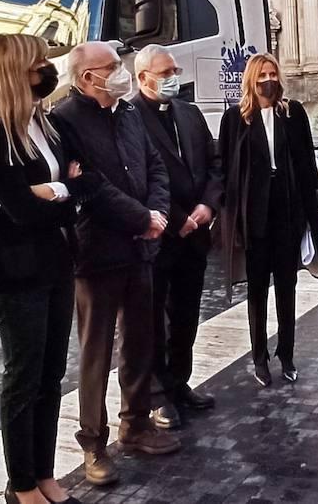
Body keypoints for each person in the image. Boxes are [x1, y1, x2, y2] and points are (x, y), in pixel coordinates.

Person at [0, 34, 98, 504]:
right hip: (15, 271)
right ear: (14, 70)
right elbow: (21, 212)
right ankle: (20, 483)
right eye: (38, 63)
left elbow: (89, 183)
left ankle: (45, 475)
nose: (47, 70)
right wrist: (66, 190)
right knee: (23, 378)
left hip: (58, 262)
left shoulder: (48, 125)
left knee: (50, 376)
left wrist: (57, 190)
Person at [51, 42, 179, 487]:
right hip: (97, 253)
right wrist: (141, 218)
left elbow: (155, 167)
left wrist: (156, 215)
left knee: (142, 341)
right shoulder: (64, 120)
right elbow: (89, 186)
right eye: (113, 67)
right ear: (88, 77)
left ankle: (136, 424)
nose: (121, 72)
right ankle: (94, 443)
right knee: (96, 352)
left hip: (140, 249)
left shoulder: (127, 113)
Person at [218, 53, 318, 388]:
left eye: (272, 73)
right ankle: (259, 356)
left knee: (287, 287)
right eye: (262, 74)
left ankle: (287, 353)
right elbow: (226, 171)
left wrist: (311, 214)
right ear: (252, 79)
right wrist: (231, 220)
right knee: (257, 290)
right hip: (253, 215)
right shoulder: (235, 118)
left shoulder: (292, 113)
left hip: (288, 210)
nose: (268, 79)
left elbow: (307, 163)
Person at [132, 45, 223, 430]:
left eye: (175, 69)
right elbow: (138, 178)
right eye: (165, 71)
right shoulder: (130, 118)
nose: (173, 76)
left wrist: (209, 205)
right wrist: (176, 218)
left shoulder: (189, 112)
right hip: (158, 236)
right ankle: (157, 395)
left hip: (196, 234)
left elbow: (214, 163)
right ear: (142, 78)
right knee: (152, 320)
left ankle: (179, 382)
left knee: (187, 315)